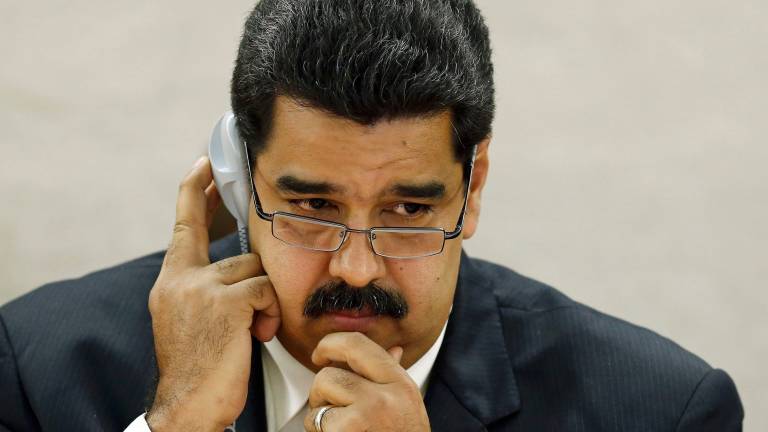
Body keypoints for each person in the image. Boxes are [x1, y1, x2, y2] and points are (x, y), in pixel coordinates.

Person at [0, 1, 744, 431]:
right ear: (238, 179)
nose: (356, 268)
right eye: (312, 206)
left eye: (409, 210)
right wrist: (176, 426)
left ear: (472, 187)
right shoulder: (35, 368)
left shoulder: (660, 412)